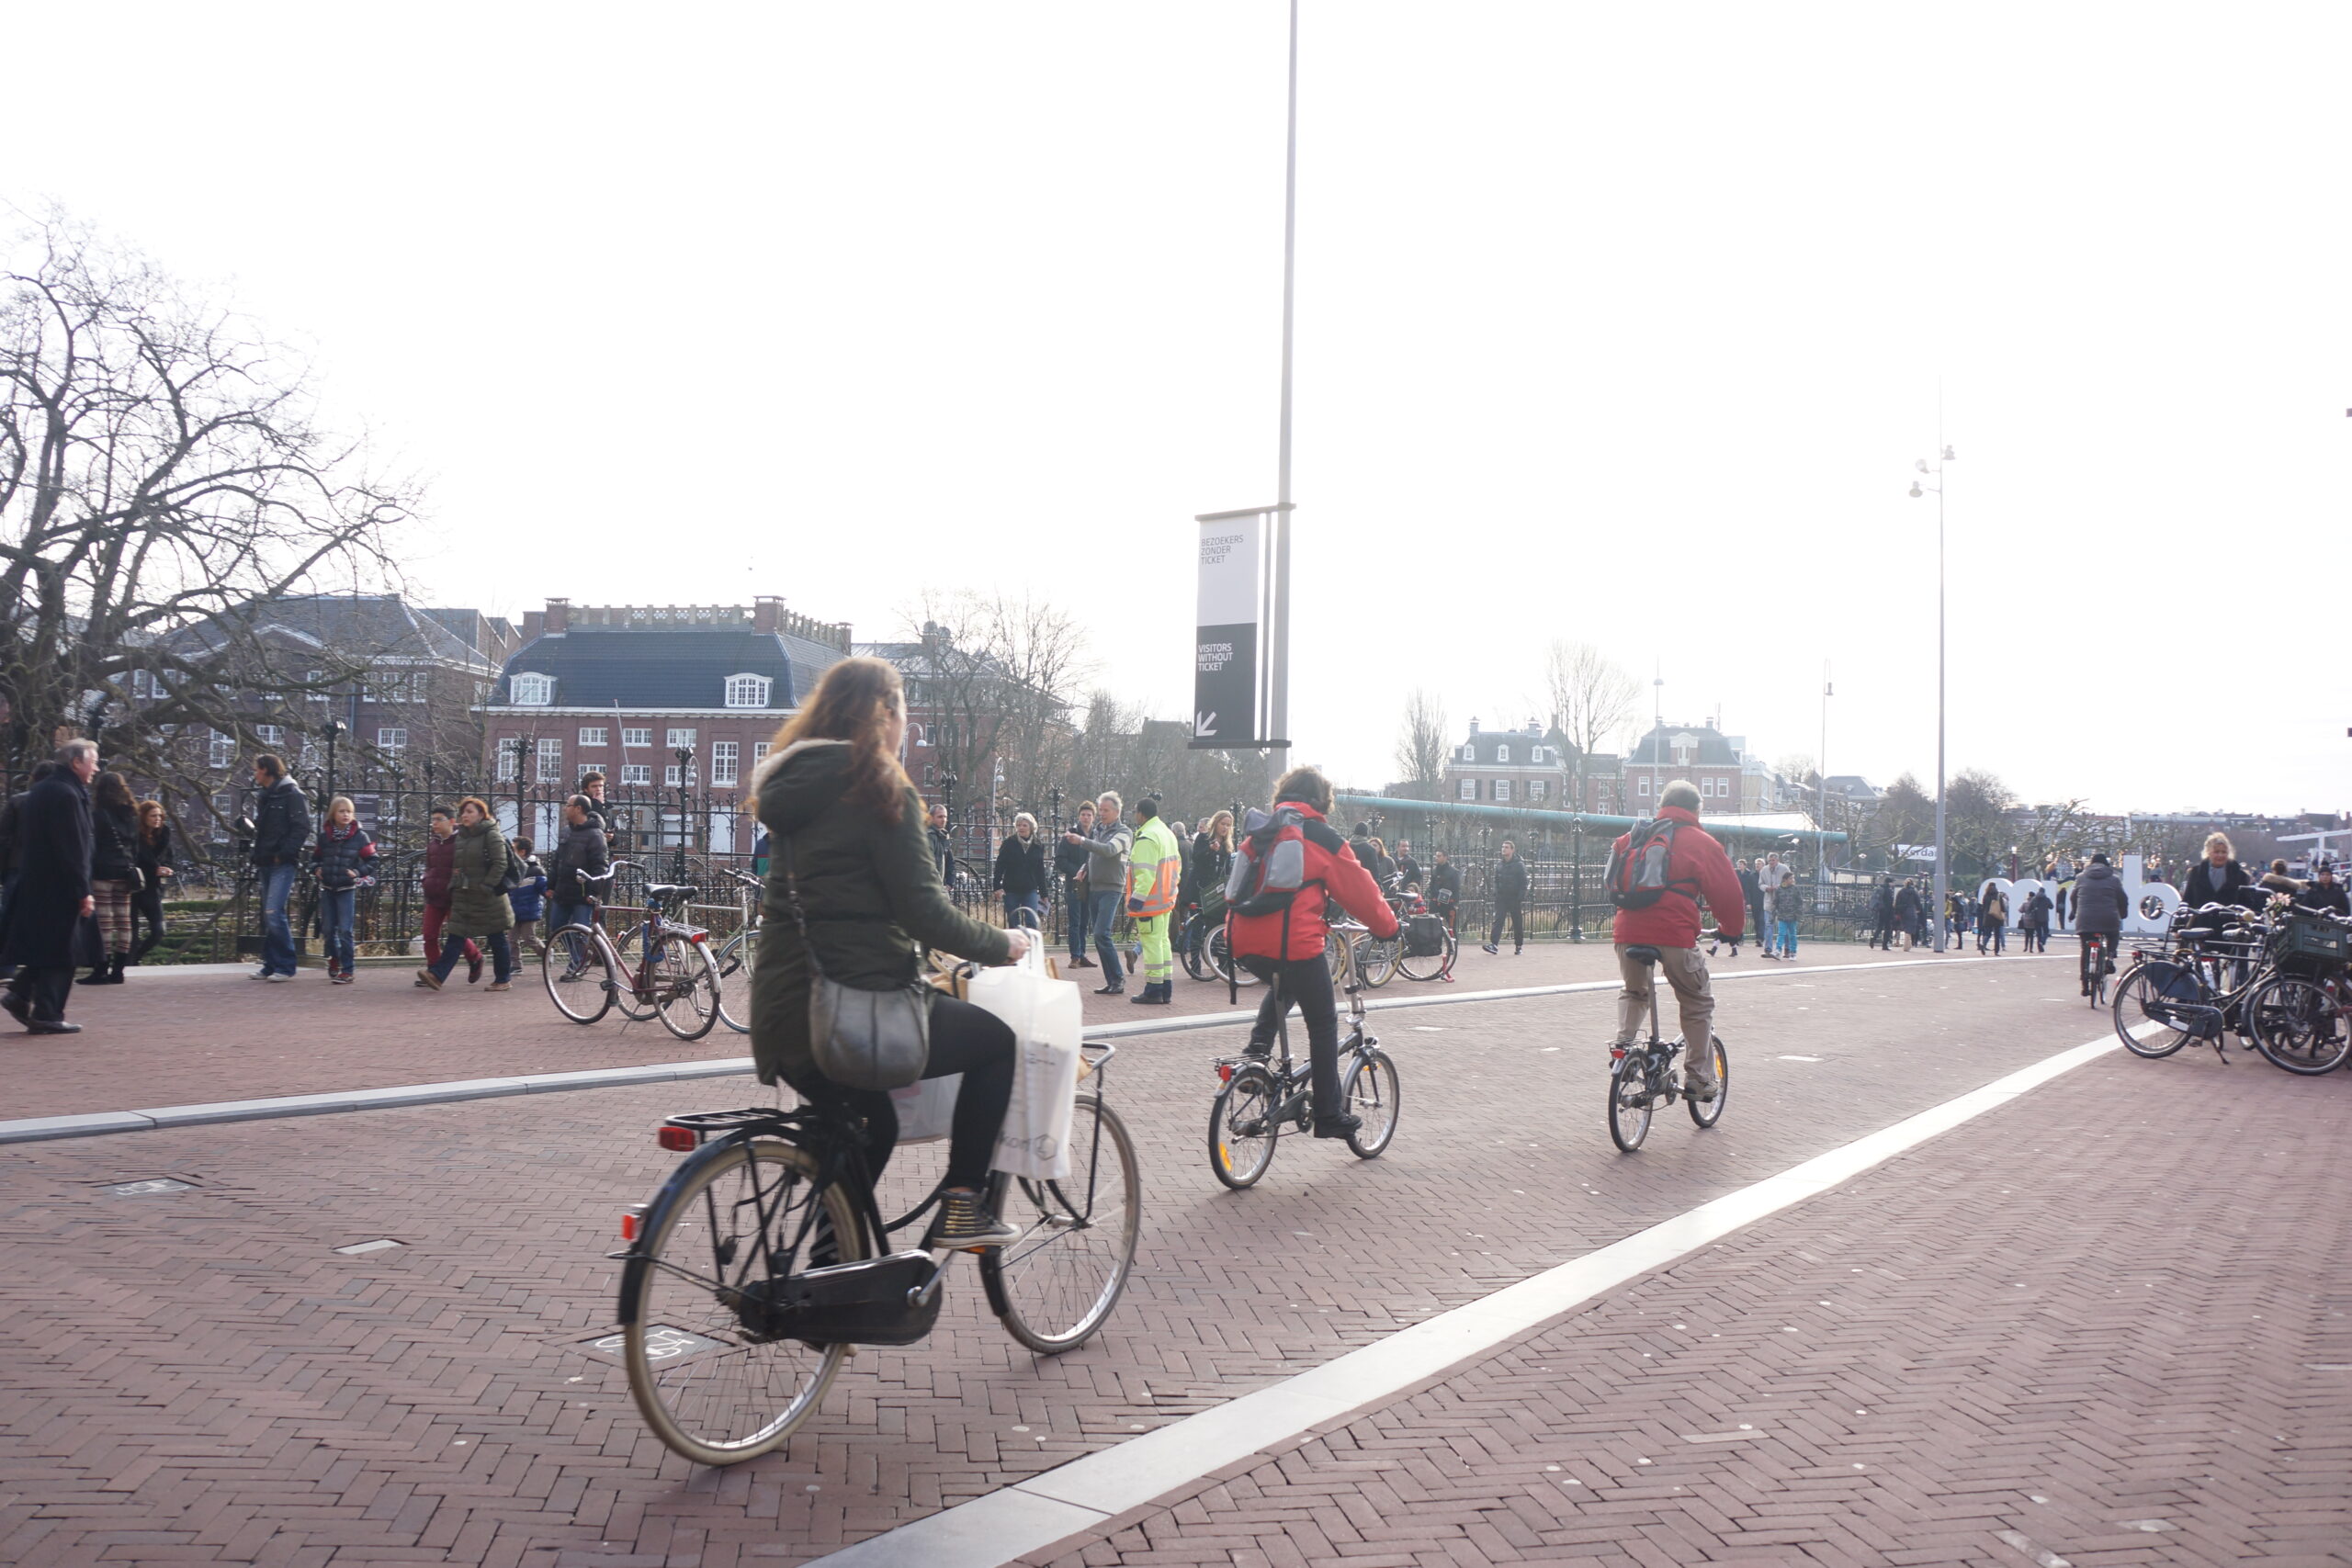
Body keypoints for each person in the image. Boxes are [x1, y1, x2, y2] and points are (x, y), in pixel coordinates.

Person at [751, 655, 1031, 1248]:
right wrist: (1000, 942)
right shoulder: (878, 784)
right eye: (901, 708)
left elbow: (844, 902)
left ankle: (833, 1267)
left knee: (871, 1124)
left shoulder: (790, 789)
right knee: (997, 1043)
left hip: (783, 1014)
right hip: (853, 1008)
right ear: (885, 715)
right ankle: (962, 1203)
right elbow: (924, 911)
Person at [1227, 765, 1400, 1138]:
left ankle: (1256, 1056)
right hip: (1294, 942)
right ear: (1322, 801)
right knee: (1322, 1023)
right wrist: (1388, 928)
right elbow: (1361, 890)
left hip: (1244, 943)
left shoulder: (1263, 830)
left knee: (1284, 982)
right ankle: (1328, 1114)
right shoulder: (1320, 835)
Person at [1604, 780, 1743, 1102]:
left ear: (1662, 805)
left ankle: (1623, 1047)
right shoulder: (1702, 842)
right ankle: (1699, 1080)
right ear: (1696, 809)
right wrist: (1731, 929)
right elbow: (1728, 894)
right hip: (1674, 934)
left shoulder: (1631, 838)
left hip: (1626, 933)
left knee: (1634, 990)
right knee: (1696, 1003)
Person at [0, 744, 97, 1033]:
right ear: (76, 761)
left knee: (47, 947)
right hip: (61, 886)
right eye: (93, 762)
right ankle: (47, 1013)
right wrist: (82, 889)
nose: (96, 768)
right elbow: (73, 846)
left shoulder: (42, 790)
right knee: (63, 950)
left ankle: (20, 995)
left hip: (38, 883)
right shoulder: (67, 795)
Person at [416, 797, 515, 991]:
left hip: (489, 897)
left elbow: (500, 864)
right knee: (456, 934)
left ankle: (503, 979)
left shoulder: (491, 835)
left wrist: (487, 886)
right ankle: (437, 975)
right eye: (463, 812)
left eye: (470, 811)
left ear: (481, 814)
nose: (465, 815)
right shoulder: (463, 836)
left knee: (496, 936)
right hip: (466, 895)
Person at [249, 752, 311, 981]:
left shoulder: (292, 795)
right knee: (269, 914)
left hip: (281, 862)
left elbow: (302, 827)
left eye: (256, 769)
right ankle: (270, 964)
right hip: (265, 859)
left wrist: (284, 853)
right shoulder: (266, 796)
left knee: (274, 912)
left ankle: (285, 966)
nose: (254, 773)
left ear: (266, 770)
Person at [1068, 791, 1132, 994]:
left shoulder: (1124, 832)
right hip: (1095, 887)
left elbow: (1109, 850)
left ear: (1117, 811)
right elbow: (1093, 856)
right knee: (1098, 936)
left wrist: (1082, 841)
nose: (1101, 814)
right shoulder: (1098, 830)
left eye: (1105, 810)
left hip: (1111, 888)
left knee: (1101, 933)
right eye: (1100, 810)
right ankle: (1111, 980)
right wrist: (1084, 869)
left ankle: (1118, 979)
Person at [312, 795, 378, 984]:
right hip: (328, 888)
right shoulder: (325, 837)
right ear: (333, 813)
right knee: (328, 929)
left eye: (349, 811)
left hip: (346, 889)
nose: (346, 815)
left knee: (345, 930)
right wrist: (316, 869)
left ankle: (348, 969)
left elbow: (373, 860)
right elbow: (315, 858)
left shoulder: (359, 836)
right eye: (342, 811)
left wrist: (357, 872)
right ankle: (335, 958)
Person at [1125, 798, 1183, 1004]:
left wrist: (1136, 900)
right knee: (1162, 942)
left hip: (1150, 901)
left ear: (1141, 814)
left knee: (1151, 944)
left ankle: (1153, 990)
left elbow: (1145, 874)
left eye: (1135, 812)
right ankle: (1165, 988)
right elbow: (1177, 867)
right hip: (1166, 899)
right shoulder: (1167, 833)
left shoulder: (1147, 837)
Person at [85, 771, 141, 986]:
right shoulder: (131, 814)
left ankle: (101, 969)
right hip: (125, 872)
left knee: (104, 923)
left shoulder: (98, 815)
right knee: (124, 921)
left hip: (102, 872)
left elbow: (92, 846)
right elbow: (135, 846)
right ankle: (118, 970)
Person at [418, 805, 483, 986]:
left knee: (457, 935)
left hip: (454, 897)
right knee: (429, 935)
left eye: (439, 819)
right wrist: (426, 879)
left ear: (452, 822)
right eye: (433, 820)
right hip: (434, 896)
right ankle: (433, 970)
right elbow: (429, 867)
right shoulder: (432, 843)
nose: (435, 823)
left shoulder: (461, 842)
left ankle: (476, 957)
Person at [548, 795, 610, 976]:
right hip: (562, 890)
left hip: (582, 893)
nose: (565, 808)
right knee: (557, 927)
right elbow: (557, 860)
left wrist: (593, 892)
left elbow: (600, 866)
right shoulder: (566, 831)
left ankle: (577, 965)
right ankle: (581, 955)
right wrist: (551, 884)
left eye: (568, 805)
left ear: (578, 809)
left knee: (580, 932)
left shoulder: (596, 835)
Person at [2072, 851, 2130, 995]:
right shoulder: (2114, 879)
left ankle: (2085, 984)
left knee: (2085, 950)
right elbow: (2123, 898)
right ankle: (2110, 957)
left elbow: (2073, 897)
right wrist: (2123, 914)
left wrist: (2073, 912)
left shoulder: (2080, 878)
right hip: (2108, 918)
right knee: (2114, 935)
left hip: (2085, 919)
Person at [127, 799, 176, 968]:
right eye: (153, 816)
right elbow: (135, 859)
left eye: (160, 816)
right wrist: (154, 869)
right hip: (133, 886)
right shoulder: (134, 835)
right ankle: (129, 964)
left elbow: (169, 857)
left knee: (159, 931)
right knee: (132, 932)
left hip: (152, 888)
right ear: (144, 817)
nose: (157, 819)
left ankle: (136, 957)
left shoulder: (164, 834)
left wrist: (167, 869)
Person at [1184, 810, 1235, 967]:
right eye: (1222, 824)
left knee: (1219, 924)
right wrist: (1209, 850)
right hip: (1200, 888)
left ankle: (1223, 964)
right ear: (1215, 823)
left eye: (1228, 825)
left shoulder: (1227, 844)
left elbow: (1227, 868)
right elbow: (1196, 858)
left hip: (1216, 891)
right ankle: (1195, 963)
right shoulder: (1203, 838)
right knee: (1197, 926)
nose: (1225, 827)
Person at [1055, 800, 1096, 967]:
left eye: (1089, 815)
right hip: (1074, 883)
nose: (1086, 818)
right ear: (1079, 816)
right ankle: (1075, 956)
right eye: (1083, 815)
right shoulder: (1070, 835)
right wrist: (1077, 870)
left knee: (1085, 921)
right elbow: (1059, 860)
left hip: (1092, 883)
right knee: (1074, 921)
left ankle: (1083, 953)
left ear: (1093, 817)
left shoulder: (1096, 835)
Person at [991, 812, 1048, 930]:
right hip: (1011, 889)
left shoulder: (1038, 845)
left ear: (1031, 827)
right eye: (1018, 825)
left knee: (1032, 921)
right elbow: (1000, 865)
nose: (1021, 828)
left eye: (1024, 825)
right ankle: (1017, 947)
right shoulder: (1009, 843)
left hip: (1030, 889)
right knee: (1014, 923)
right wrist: (996, 886)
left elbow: (1040, 870)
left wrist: (1044, 893)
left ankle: (1031, 946)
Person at [2182, 832, 2253, 922]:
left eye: (2224, 852)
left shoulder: (2239, 875)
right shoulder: (2196, 873)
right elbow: (2187, 899)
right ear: (2208, 852)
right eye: (2216, 852)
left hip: (2229, 925)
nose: (2220, 855)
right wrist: (2178, 926)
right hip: (2201, 924)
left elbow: (2246, 902)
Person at [506, 836, 548, 959]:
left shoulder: (535, 870)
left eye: (513, 849)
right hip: (513, 909)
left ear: (522, 852)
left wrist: (548, 892)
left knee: (529, 938)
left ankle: (546, 954)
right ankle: (515, 964)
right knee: (512, 939)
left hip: (529, 909)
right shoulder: (511, 868)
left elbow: (543, 887)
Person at [1484, 839, 1528, 954]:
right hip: (1501, 897)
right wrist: (1496, 891)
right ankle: (1494, 945)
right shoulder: (1499, 864)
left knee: (1517, 922)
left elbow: (1524, 882)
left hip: (1514, 898)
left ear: (1512, 850)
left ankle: (1519, 946)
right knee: (1498, 920)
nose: (1503, 849)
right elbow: (1496, 880)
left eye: (1506, 847)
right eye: (1503, 847)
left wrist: (1520, 896)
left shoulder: (1519, 865)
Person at [1720, 857, 1758, 959]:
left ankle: (1740, 938)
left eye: (1740, 864)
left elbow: (1748, 889)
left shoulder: (1748, 875)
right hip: (1734, 898)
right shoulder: (1735, 873)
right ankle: (1733, 941)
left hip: (1743, 898)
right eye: (1738, 864)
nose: (1739, 866)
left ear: (1744, 865)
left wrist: (1748, 902)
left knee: (1741, 920)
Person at [1426, 849, 1462, 930]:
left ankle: (1453, 942)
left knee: (1451, 927)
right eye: (1436, 856)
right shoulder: (1434, 871)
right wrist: (1431, 897)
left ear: (1445, 857)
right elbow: (1432, 885)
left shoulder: (1453, 872)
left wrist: (1455, 903)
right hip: (1435, 903)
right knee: (1434, 927)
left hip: (1449, 904)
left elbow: (1457, 888)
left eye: (1439, 856)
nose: (1436, 858)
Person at [1773, 865, 1801, 959]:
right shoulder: (1779, 889)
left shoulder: (1795, 889)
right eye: (1790, 878)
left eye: (1793, 878)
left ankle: (1793, 952)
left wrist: (1798, 913)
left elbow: (1799, 902)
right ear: (1785, 880)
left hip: (1792, 915)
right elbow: (1776, 902)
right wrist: (1775, 912)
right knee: (1781, 934)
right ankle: (1778, 950)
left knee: (1792, 934)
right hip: (1782, 915)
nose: (1792, 880)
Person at [927, 802, 956, 886]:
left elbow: (950, 861)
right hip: (931, 887)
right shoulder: (929, 836)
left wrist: (950, 882)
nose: (943, 820)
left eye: (945, 817)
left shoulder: (944, 835)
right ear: (931, 818)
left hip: (939, 886)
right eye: (940, 817)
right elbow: (929, 864)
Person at [2018, 884, 2053, 953]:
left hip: (2036, 919)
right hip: (2045, 918)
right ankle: (2042, 942)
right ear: (2044, 892)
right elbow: (2051, 907)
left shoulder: (2034, 899)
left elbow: (2029, 909)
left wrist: (2033, 910)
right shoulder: (2047, 899)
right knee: (2046, 931)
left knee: (2039, 933)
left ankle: (2039, 948)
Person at [1978, 884, 2007, 955]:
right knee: (1997, 936)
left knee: (1987, 934)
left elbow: (1983, 907)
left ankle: (1983, 944)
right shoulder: (1998, 895)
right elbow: (2003, 907)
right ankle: (1996, 951)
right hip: (1997, 917)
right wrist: (2004, 911)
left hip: (1987, 917)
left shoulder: (1985, 895)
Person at [1894, 878, 1924, 950]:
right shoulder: (1914, 892)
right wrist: (1919, 909)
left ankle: (1908, 945)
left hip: (1903, 912)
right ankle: (1906, 946)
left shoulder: (1901, 892)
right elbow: (1918, 902)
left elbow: (1897, 902)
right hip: (1912, 911)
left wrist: (1897, 912)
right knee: (1910, 929)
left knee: (1906, 927)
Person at [1869, 875, 1897, 950]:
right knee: (1888, 928)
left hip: (1881, 911)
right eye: (1892, 882)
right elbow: (1889, 903)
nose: (1893, 884)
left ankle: (1873, 938)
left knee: (1879, 927)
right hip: (1887, 912)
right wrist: (1892, 913)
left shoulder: (1881, 888)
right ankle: (1884, 945)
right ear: (1889, 883)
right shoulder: (1888, 890)